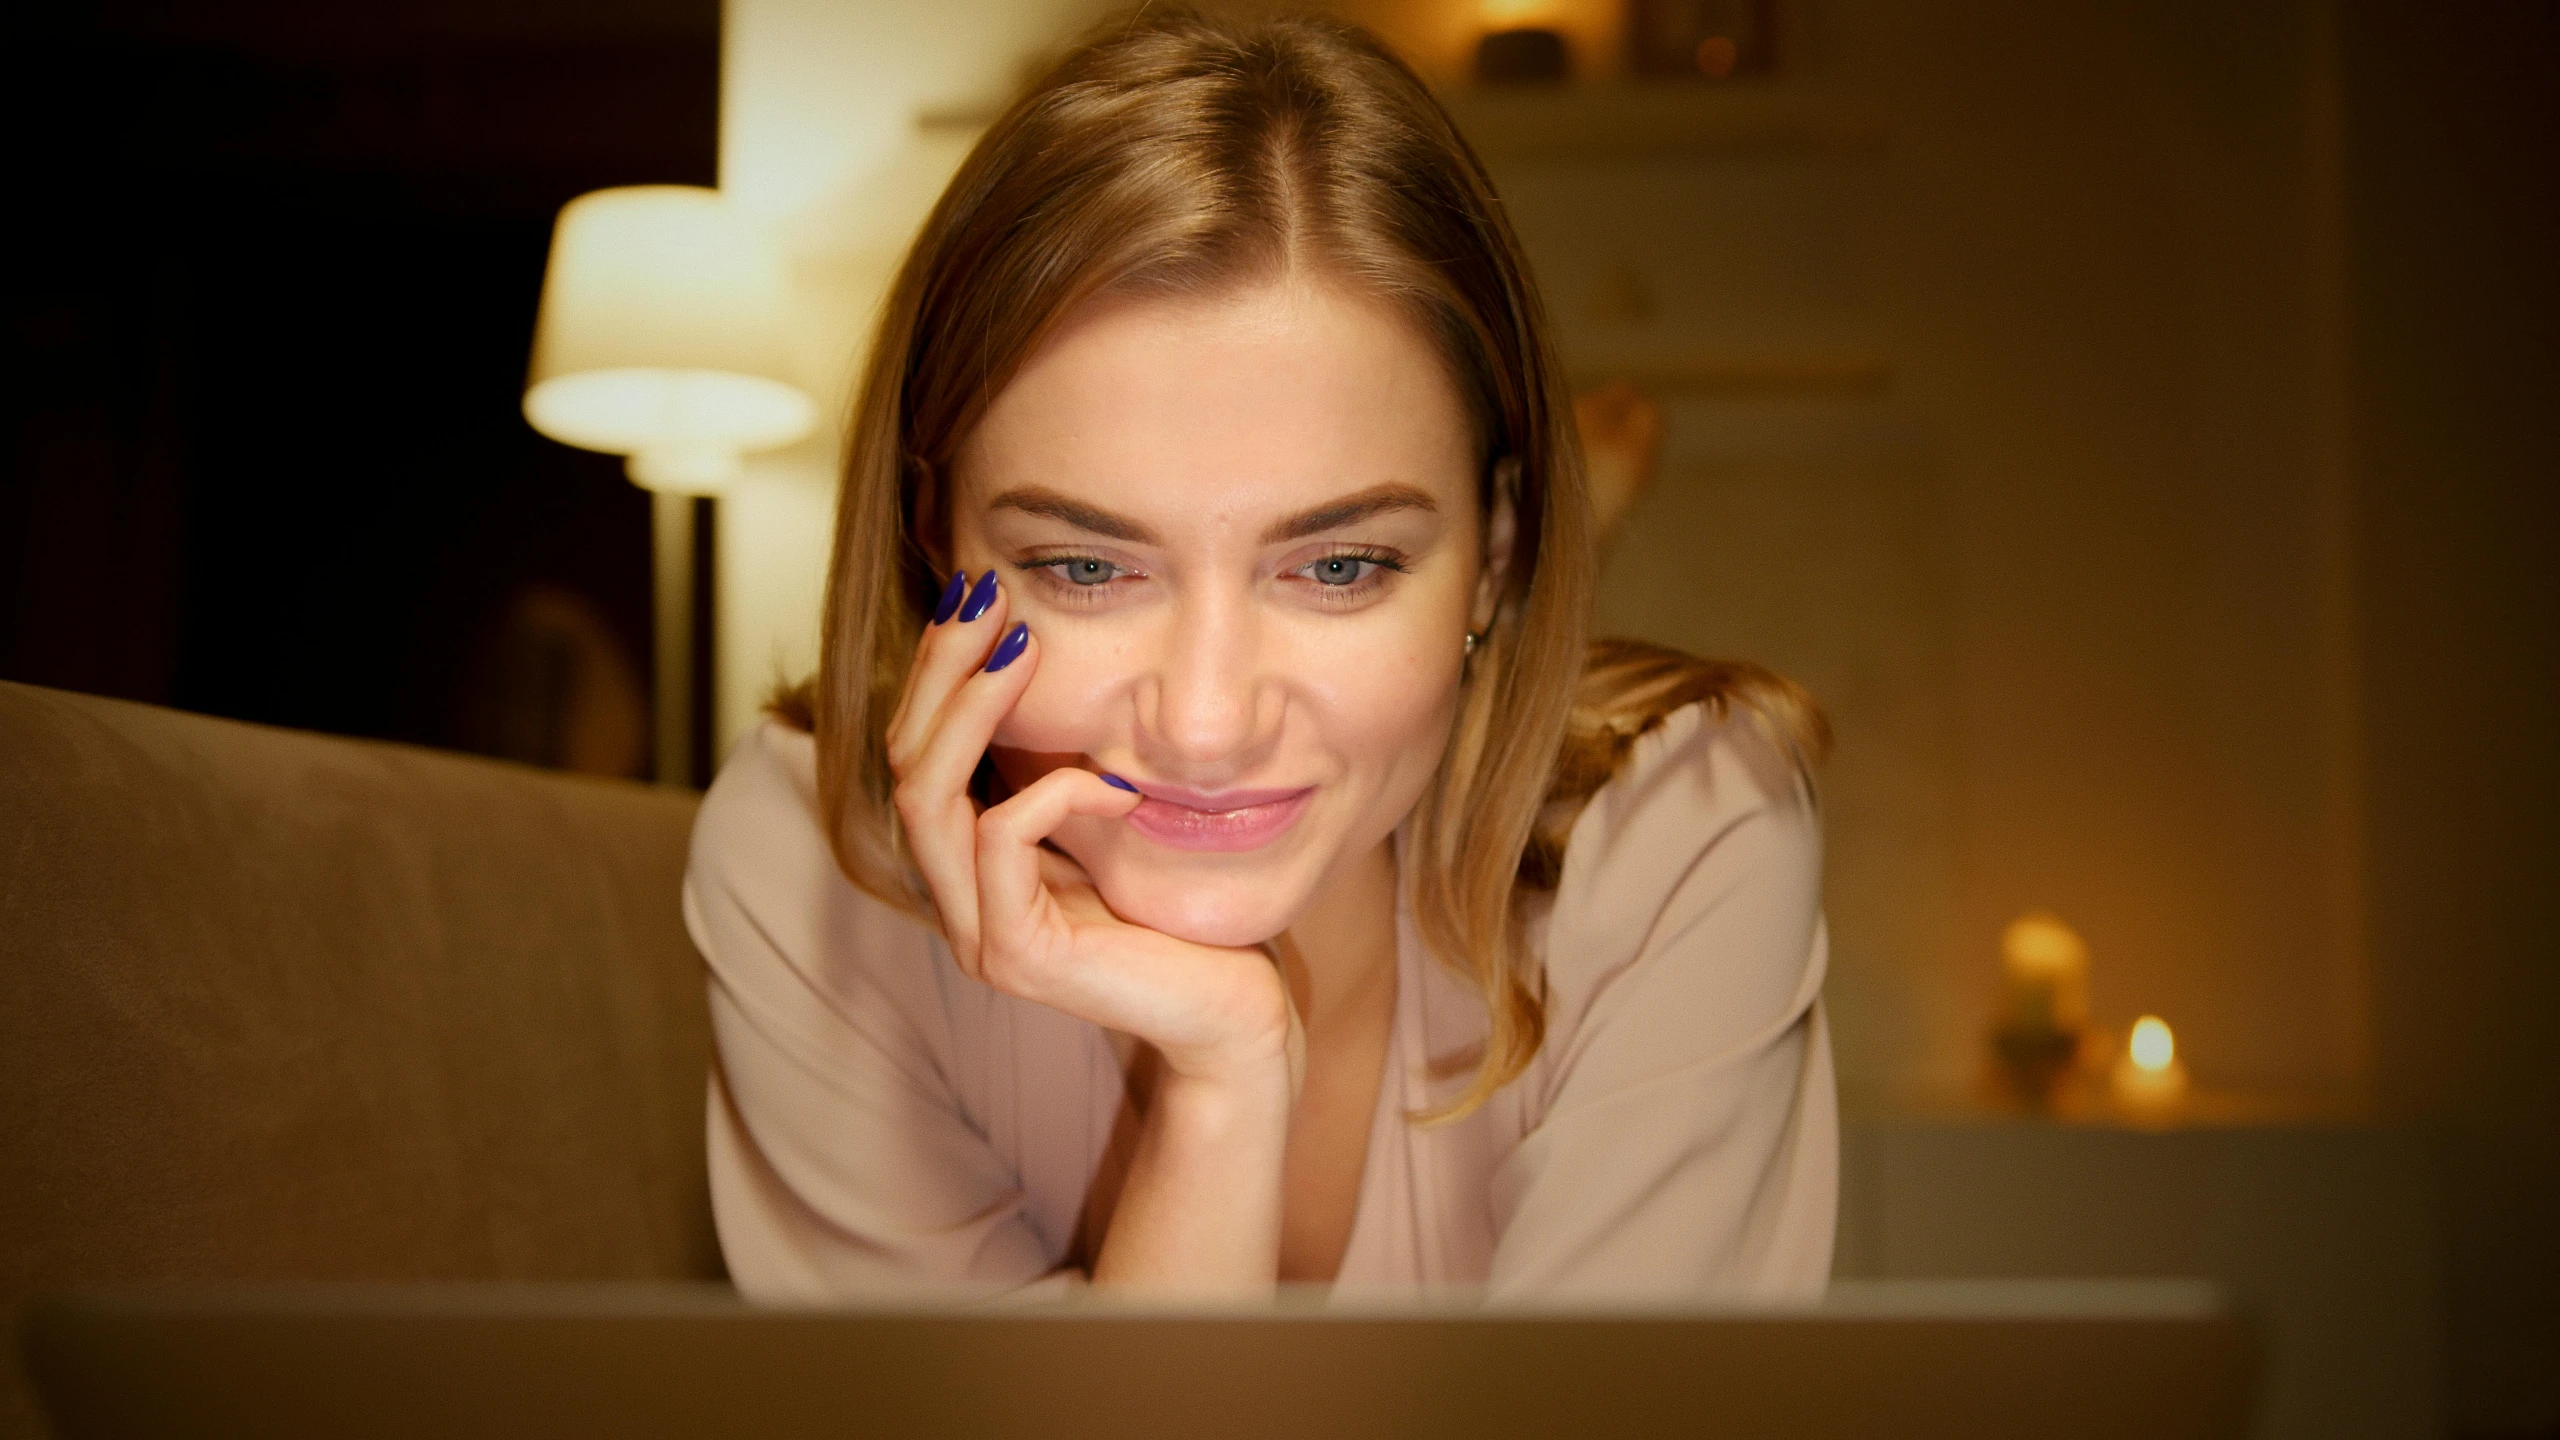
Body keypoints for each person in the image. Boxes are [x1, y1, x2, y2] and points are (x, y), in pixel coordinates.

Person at [684, 7, 1836, 1304]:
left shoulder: (1680, 830)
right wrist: (1224, 1086)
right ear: (925, 535)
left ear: (1499, 551)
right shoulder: (811, 872)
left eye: (1338, 567)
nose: (1207, 722)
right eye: (1086, 567)